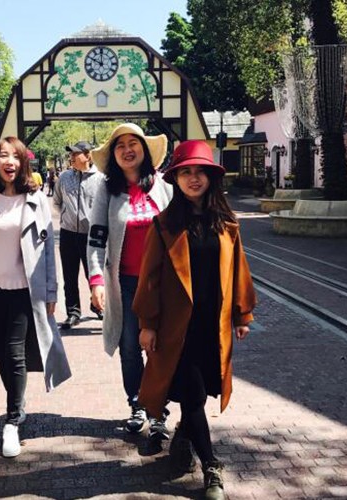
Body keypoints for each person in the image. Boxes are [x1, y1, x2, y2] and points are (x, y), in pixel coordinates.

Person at [134, 140, 256, 500]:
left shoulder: (228, 225)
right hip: (178, 329)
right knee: (193, 395)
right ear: (176, 179)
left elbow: (239, 272)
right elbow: (149, 279)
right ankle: (212, 466)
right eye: (185, 172)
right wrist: (147, 323)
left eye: (200, 171)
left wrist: (242, 314)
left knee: (199, 396)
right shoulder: (164, 225)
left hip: (212, 326)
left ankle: (184, 437)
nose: (193, 178)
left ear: (211, 177)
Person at [0, 136, 71, 458]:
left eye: (16, 157)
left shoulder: (35, 200)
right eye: (3, 156)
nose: (9, 162)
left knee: (14, 350)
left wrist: (51, 291)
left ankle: (12, 419)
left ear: (23, 163)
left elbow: (48, 250)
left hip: (25, 290)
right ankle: (17, 405)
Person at [87, 123, 172, 437]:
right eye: (120, 145)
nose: (127, 150)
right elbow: (97, 237)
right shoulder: (107, 190)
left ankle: (158, 410)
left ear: (144, 149)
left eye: (133, 143)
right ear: (113, 155)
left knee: (160, 347)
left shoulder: (164, 186)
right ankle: (136, 403)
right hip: (124, 284)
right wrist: (96, 280)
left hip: (162, 285)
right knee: (130, 347)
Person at [54, 140, 104, 329]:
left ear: (88, 156)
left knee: (93, 273)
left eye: (76, 154)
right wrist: (67, 216)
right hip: (68, 233)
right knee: (69, 275)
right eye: (71, 154)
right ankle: (73, 312)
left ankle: (97, 304)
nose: (72, 157)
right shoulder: (64, 177)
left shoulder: (100, 179)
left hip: (91, 236)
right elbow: (57, 202)